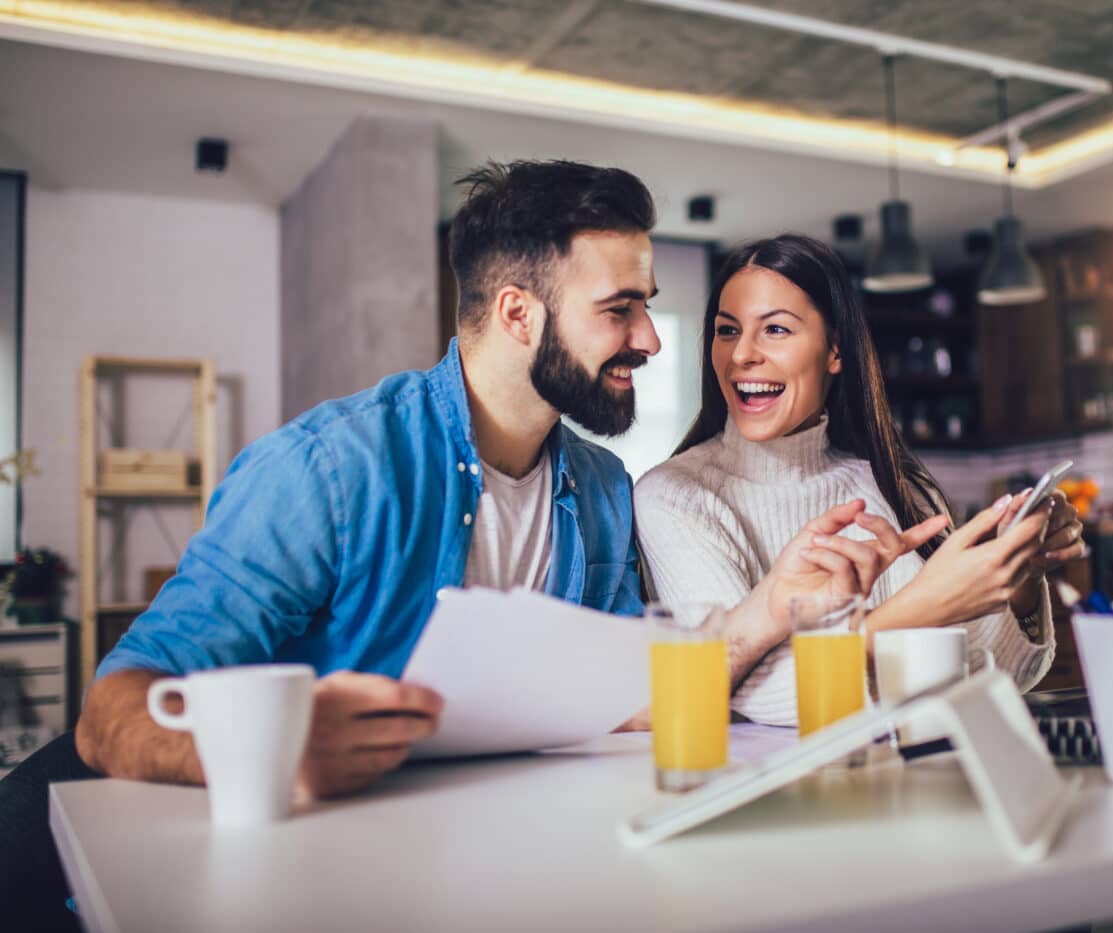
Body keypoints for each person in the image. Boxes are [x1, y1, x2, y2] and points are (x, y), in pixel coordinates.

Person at [1, 158, 671, 929]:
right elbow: (113, 710)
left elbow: (622, 697)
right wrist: (274, 751)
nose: (649, 338)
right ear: (519, 314)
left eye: (646, 307)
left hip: (500, 869)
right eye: (620, 309)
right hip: (294, 887)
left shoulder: (605, 490)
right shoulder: (330, 469)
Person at [634, 234, 1085, 726]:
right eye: (727, 330)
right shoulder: (675, 497)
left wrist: (1016, 573)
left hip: (911, 776)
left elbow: (1005, 675)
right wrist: (922, 608)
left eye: (776, 330)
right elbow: (755, 697)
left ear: (834, 351)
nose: (741, 354)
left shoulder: (901, 487)